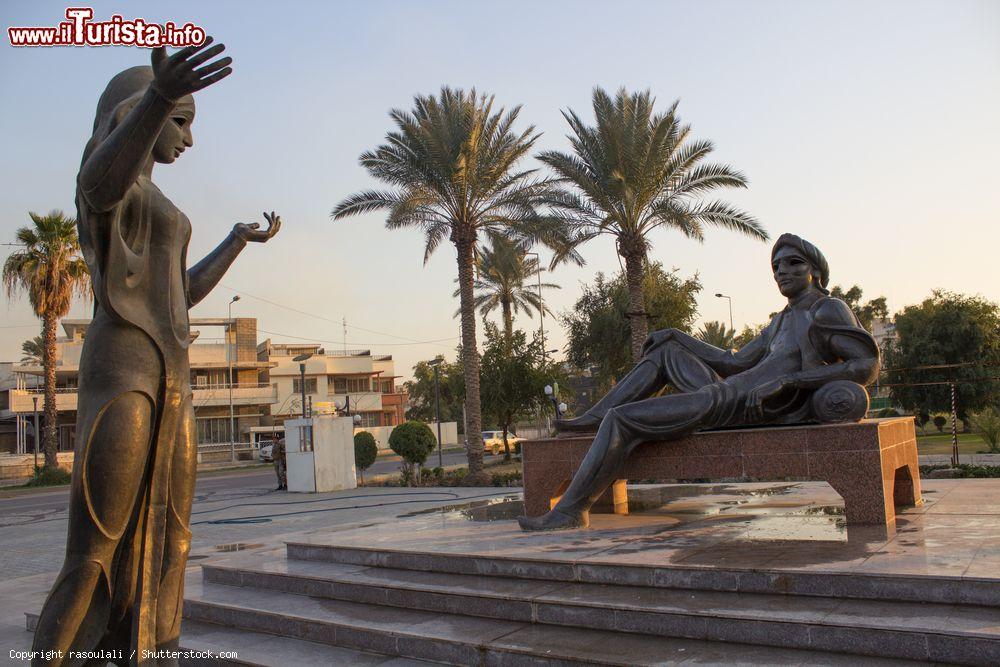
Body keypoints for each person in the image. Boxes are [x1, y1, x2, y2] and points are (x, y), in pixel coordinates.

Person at [31, 40, 281, 664]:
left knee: (173, 540)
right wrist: (160, 95)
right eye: (181, 121)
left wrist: (235, 241)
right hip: (124, 367)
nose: (189, 141)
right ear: (136, 110)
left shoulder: (163, 204)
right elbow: (100, 179)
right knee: (95, 550)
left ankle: (155, 654)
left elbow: (182, 294)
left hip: (173, 375)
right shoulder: (106, 182)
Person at [519, 233, 880, 531]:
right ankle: (593, 418)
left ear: (815, 270)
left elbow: (866, 364)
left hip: (739, 405)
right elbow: (732, 361)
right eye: (776, 266)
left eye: (792, 263)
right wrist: (677, 336)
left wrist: (790, 382)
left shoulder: (827, 309)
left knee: (622, 419)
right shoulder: (780, 321)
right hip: (724, 393)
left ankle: (569, 512)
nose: (781, 271)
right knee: (665, 352)